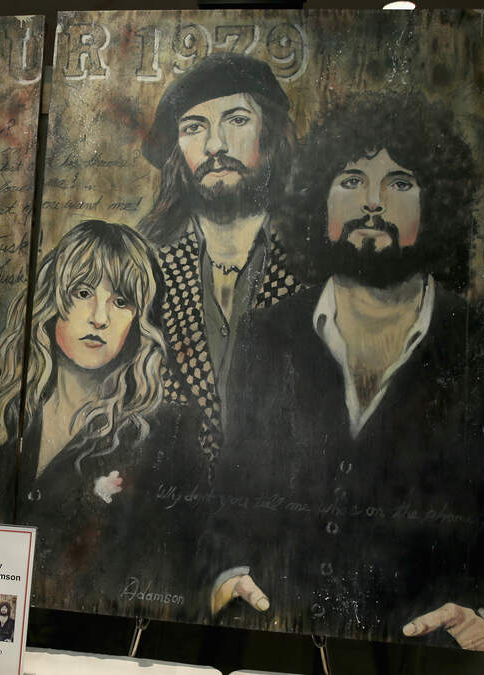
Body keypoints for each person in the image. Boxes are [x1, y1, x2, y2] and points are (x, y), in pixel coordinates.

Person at [209, 93, 484, 652]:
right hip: (276, 652)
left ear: (435, 204)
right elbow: (228, 496)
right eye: (351, 180)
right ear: (319, 199)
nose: (372, 203)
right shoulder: (263, 338)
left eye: (399, 182)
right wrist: (225, 576)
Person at [0, 220, 206, 620]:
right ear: (52, 301)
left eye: (121, 301)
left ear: (140, 320)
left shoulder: (166, 435)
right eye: (83, 293)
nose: (99, 317)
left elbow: (163, 580)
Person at [137, 53, 303, 453]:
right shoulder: (143, 266)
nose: (215, 145)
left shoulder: (316, 258)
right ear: (177, 152)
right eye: (194, 127)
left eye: (237, 120)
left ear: (269, 134)